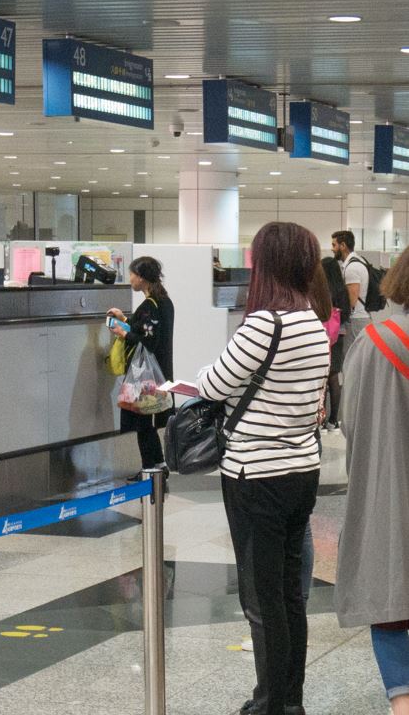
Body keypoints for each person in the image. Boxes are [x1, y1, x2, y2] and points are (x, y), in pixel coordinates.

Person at [197, 222, 329, 715]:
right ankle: (287, 697)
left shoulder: (265, 324)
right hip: (301, 470)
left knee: (262, 596)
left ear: (266, 263)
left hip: (257, 473)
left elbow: (214, 383)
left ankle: (274, 702)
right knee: (289, 592)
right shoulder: (312, 323)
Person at [335, 246, 409, 715]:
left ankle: (401, 699)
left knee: (391, 591)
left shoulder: (375, 338)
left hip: (391, 489)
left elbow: (351, 422)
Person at [107, 256, 174, 480]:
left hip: (145, 376)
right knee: (149, 423)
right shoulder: (163, 302)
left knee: (142, 422)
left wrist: (124, 332)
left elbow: (147, 342)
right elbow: (148, 331)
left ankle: (149, 470)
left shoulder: (149, 306)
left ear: (142, 277)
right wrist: (125, 319)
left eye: (133, 274)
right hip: (160, 372)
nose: (131, 279)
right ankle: (159, 464)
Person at [320, 255, 351, 432]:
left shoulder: (322, 291)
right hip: (339, 335)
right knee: (334, 376)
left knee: (323, 376)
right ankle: (334, 421)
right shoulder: (342, 289)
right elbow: (346, 313)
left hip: (323, 336)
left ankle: (321, 421)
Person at [331, 230, 371, 347]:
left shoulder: (352, 268)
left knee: (349, 358)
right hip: (361, 317)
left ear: (343, 246)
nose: (332, 249)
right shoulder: (359, 261)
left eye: (334, 245)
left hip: (356, 320)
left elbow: (351, 301)